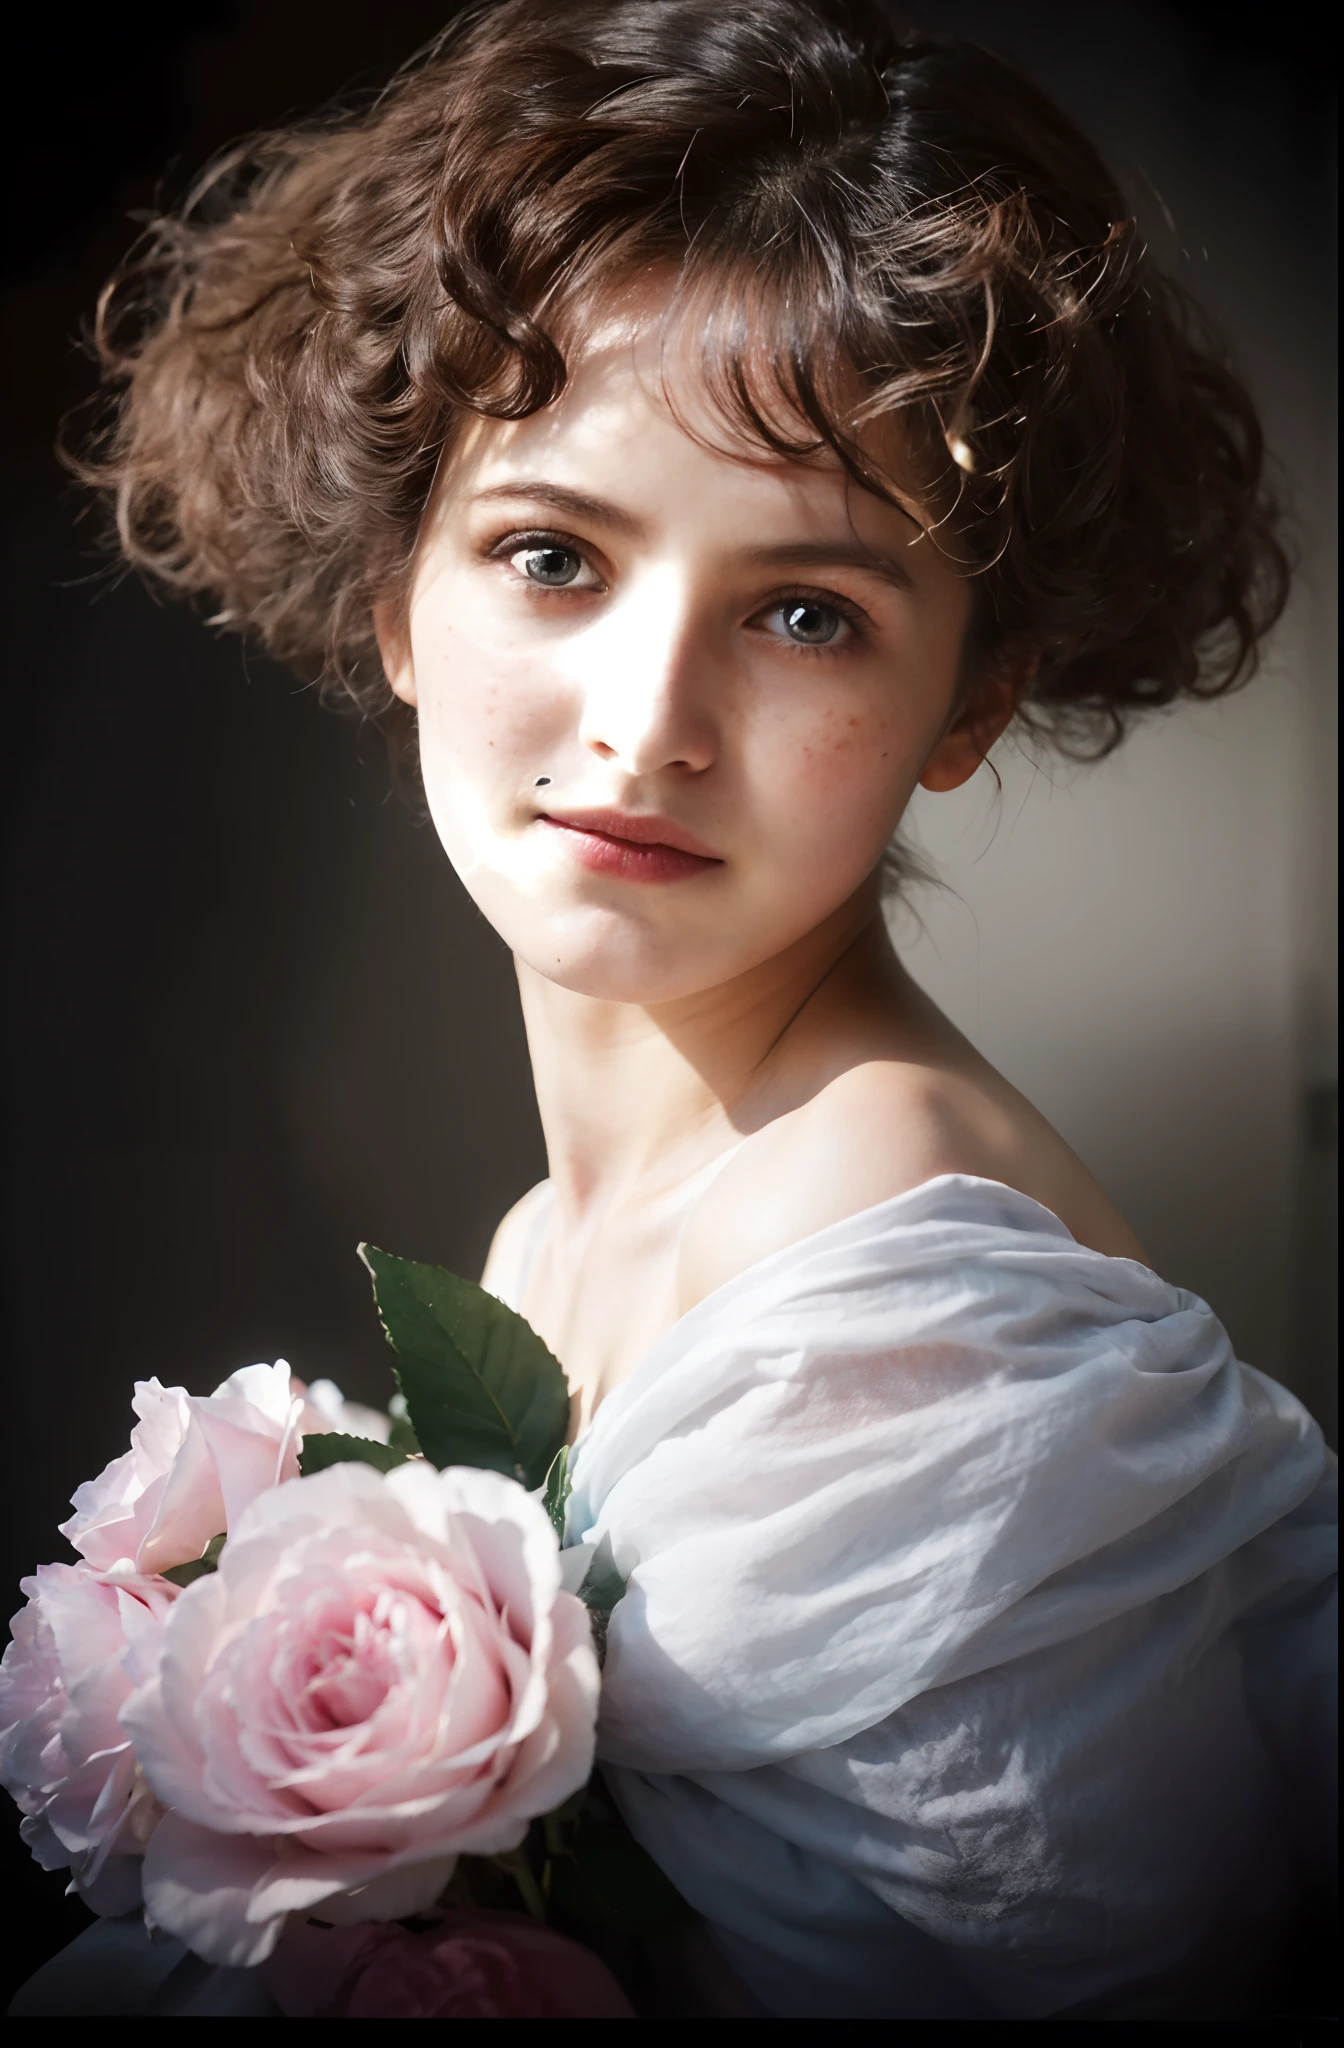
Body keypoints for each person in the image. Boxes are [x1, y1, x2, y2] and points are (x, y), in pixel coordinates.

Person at [55, 0, 1337, 2017]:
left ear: (970, 700)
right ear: (400, 599)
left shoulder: (897, 1288)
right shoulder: (543, 1243)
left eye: (807, 611)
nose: (647, 726)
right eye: (552, 554)